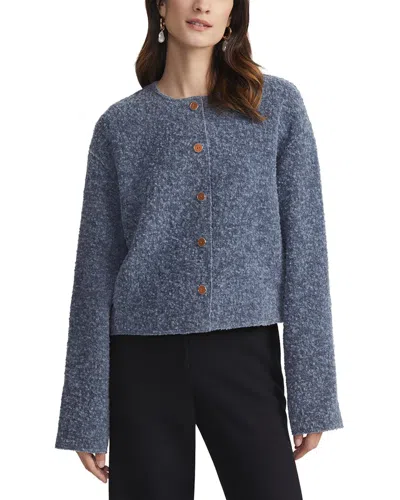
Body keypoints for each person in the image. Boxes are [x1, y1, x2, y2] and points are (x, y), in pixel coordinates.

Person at [55, 0, 344, 498]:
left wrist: (312, 394)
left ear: (233, 13)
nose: (202, 4)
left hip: (244, 353)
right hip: (142, 359)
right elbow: (95, 270)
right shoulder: (119, 126)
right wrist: (86, 413)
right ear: (160, 7)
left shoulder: (275, 106)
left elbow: (306, 252)